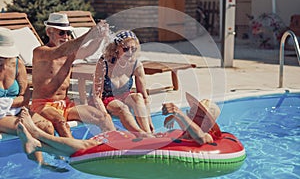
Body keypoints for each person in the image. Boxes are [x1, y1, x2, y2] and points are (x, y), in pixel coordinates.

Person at [17, 92, 221, 158]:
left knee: (87, 148)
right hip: (133, 143)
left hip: (134, 148)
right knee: (90, 144)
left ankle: (37, 135)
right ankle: (38, 145)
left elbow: (201, 138)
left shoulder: (205, 136)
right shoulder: (183, 129)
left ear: (202, 120)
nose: (189, 112)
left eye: (194, 112)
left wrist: (178, 114)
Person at [30, 13, 116, 138]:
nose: (65, 37)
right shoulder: (40, 52)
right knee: (61, 123)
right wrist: (89, 34)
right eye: (61, 33)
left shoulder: (70, 53)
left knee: (102, 116)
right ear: (49, 32)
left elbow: (88, 51)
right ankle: (75, 155)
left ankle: (116, 144)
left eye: (68, 33)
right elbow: (59, 52)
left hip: (65, 104)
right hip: (43, 105)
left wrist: (99, 37)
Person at [0, 27, 54, 164]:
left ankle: (55, 157)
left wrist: (7, 103)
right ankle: (40, 165)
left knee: (48, 126)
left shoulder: (18, 64)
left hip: (17, 109)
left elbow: (25, 97)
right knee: (25, 127)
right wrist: (13, 102)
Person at [90, 30, 154, 137]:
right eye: (125, 49)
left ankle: (148, 133)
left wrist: (149, 120)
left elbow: (144, 96)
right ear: (116, 48)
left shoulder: (136, 65)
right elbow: (97, 96)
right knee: (122, 107)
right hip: (105, 98)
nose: (129, 53)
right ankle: (140, 135)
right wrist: (106, 116)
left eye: (133, 49)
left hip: (124, 97)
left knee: (138, 97)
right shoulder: (104, 63)